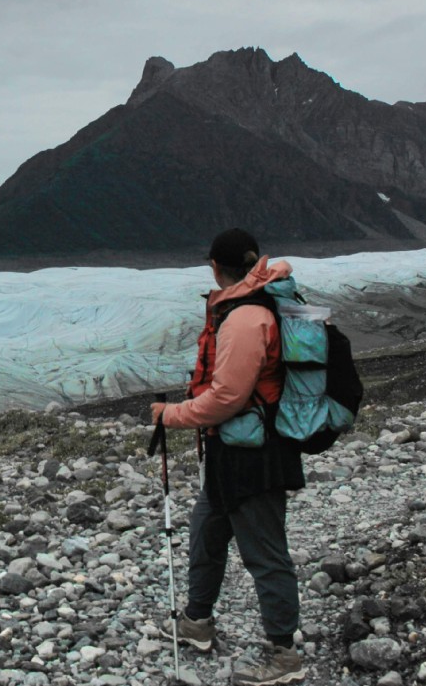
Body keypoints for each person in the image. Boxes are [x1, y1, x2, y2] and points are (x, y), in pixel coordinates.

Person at [150, 228, 307, 686]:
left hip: (253, 454)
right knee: (207, 530)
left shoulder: (245, 318)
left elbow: (228, 397)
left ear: (216, 266)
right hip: (232, 449)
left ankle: (284, 656)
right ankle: (197, 622)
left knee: (265, 552)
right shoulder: (250, 307)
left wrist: (171, 416)